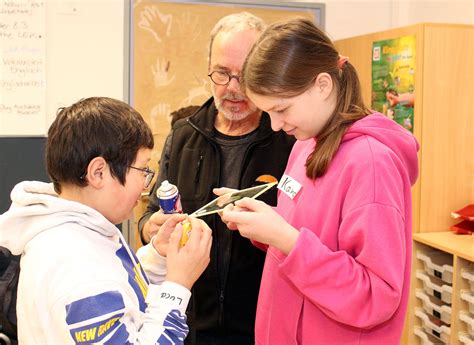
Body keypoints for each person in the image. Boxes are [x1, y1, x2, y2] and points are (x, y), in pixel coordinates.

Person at [220, 18, 420, 344]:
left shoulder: (371, 164)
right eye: (267, 112)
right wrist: (261, 221)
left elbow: (376, 295)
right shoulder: (304, 145)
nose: (274, 125)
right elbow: (305, 231)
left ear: (323, 85)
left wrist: (286, 239)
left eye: (281, 109)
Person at [0, 97, 212, 344]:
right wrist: (178, 285)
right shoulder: (77, 265)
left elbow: (120, 292)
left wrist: (157, 257)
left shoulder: (82, 228)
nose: (147, 184)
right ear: (98, 172)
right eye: (143, 171)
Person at [138, 12, 295, 345]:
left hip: (263, 322)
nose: (233, 88)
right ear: (209, 68)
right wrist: (150, 226)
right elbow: (151, 214)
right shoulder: (182, 136)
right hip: (191, 322)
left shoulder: (290, 140)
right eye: (222, 73)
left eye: (245, 75)